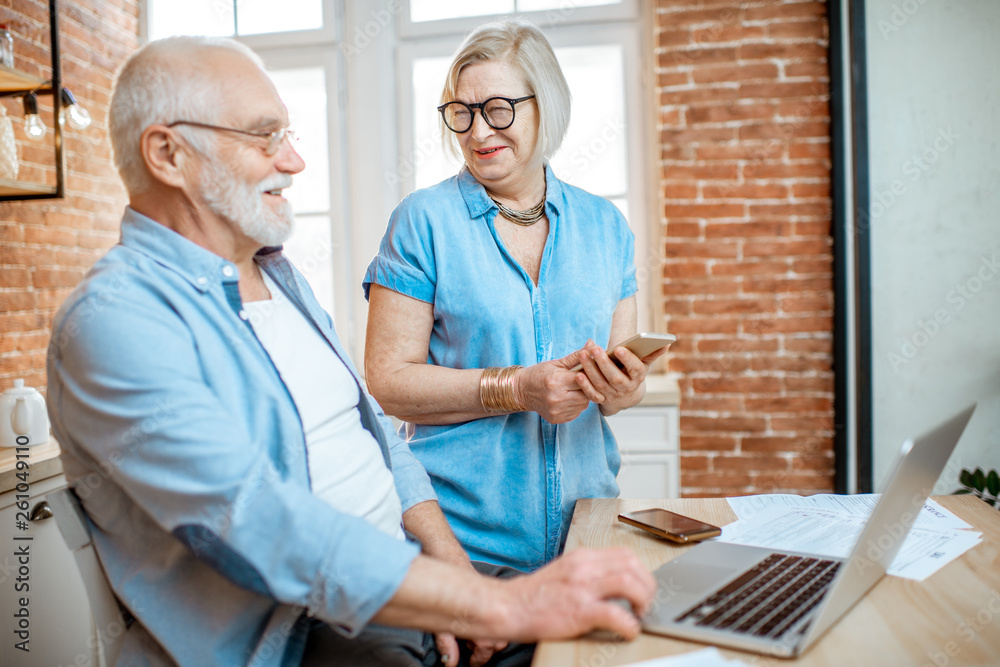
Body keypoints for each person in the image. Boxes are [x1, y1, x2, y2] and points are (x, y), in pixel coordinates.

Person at [46, 36, 655, 667]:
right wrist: (484, 604)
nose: (296, 160)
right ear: (168, 154)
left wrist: (452, 578)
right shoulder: (116, 320)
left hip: (404, 583)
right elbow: (261, 523)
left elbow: (379, 441)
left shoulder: (278, 279)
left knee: (646, 635)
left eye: (289, 133)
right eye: (265, 137)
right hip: (314, 625)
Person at [363, 19, 667, 572]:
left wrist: (624, 387)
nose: (479, 132)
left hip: (589, 534)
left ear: (544, 106)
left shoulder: (605, 226)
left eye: (498, 108)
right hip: (462, 545)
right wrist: (518, 388)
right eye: (463, 112)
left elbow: (621, 396)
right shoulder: (422, 222)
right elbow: (388, 384)